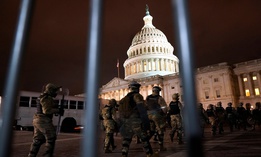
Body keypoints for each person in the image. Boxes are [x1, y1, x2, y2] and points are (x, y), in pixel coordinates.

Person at [118, 81, 156, 157]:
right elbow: (141, 109)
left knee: (127, 139)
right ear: (137, 88)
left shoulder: (124, 98)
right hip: (136, 120)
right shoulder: (137, 96)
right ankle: (149, 154)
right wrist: (146, 121)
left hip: (126, 121)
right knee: (144, 138)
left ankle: (124, 154)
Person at [28, 83, 63, 157]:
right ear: (50, 90)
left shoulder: (42, 96)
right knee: (51, 138)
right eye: (54, 90)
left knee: (37, 140)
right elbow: (47, 111)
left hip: (38, 120)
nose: (55, 92)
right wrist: (58, 110)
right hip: (43, 120)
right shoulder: (47, 98)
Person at [145, 86, 168, 151]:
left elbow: (146, 106)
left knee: (151, 130)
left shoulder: (148, 97)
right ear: (158, 91)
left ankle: (145, 143)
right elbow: (164, 108)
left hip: (149, 115)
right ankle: (161, 147)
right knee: (160, 130)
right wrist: (164, 114)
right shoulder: (159, 98)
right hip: (157, 115)